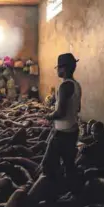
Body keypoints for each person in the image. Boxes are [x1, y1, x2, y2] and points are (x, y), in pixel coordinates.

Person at [41, 53, 82, 182]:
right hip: (72, 130)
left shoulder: (65, 86)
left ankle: (53, 194)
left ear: (64, 68)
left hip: (63, 134)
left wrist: (48, 116)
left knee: (47, 165)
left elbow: (60, 113)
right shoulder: (76, 85)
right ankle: (72, 192)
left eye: (58, 67)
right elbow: (78, 108)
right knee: (69, 164)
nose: (57, 70)